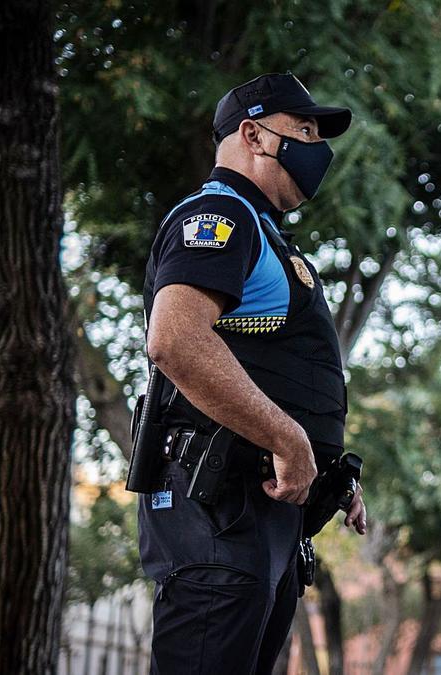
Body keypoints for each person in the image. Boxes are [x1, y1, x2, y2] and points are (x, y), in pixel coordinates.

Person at [136, 72, 368, 674]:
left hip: (257, 522)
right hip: (217, 519)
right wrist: (288, 440)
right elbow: (176, 340)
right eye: (304, 130)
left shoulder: (265, 235)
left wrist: (329, 475)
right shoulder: (219, 215)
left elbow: (275, 370)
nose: (318, 148)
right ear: (253, 135)